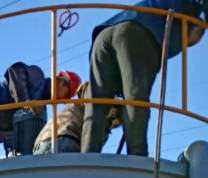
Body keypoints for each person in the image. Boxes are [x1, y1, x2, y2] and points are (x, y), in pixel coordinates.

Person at [82, 0, 206, 155]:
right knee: (136, 100)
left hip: (103, 36)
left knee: (97, 103)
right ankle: (138, 156)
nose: (188, 44)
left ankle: (87, 155)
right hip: (136, 34)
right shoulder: (190, 9)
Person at [0, 64, 80, 163]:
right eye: (67, 95)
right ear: (60, 81)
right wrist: (26, 102)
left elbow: (13, 132)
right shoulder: (38, 77)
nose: (63, 101)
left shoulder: (38, 107)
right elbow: (15, 70)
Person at [33, 82, 121, 154]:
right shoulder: (93, 97)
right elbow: (87, 89)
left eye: (114, 126)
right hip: (65, 139)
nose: (111, 125)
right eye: (112, 118)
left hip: (42, 145)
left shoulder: (102, 128)